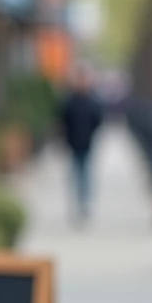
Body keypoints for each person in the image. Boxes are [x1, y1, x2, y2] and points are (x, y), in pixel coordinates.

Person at [60, 66, 104, 221]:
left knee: (85, 173)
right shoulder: (70, 101)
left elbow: (98, 120)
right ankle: (77, 203)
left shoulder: (91, 102)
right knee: (75, 173)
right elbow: (63, 121)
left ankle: (84, 203)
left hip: (87, 143)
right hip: (73, 143)